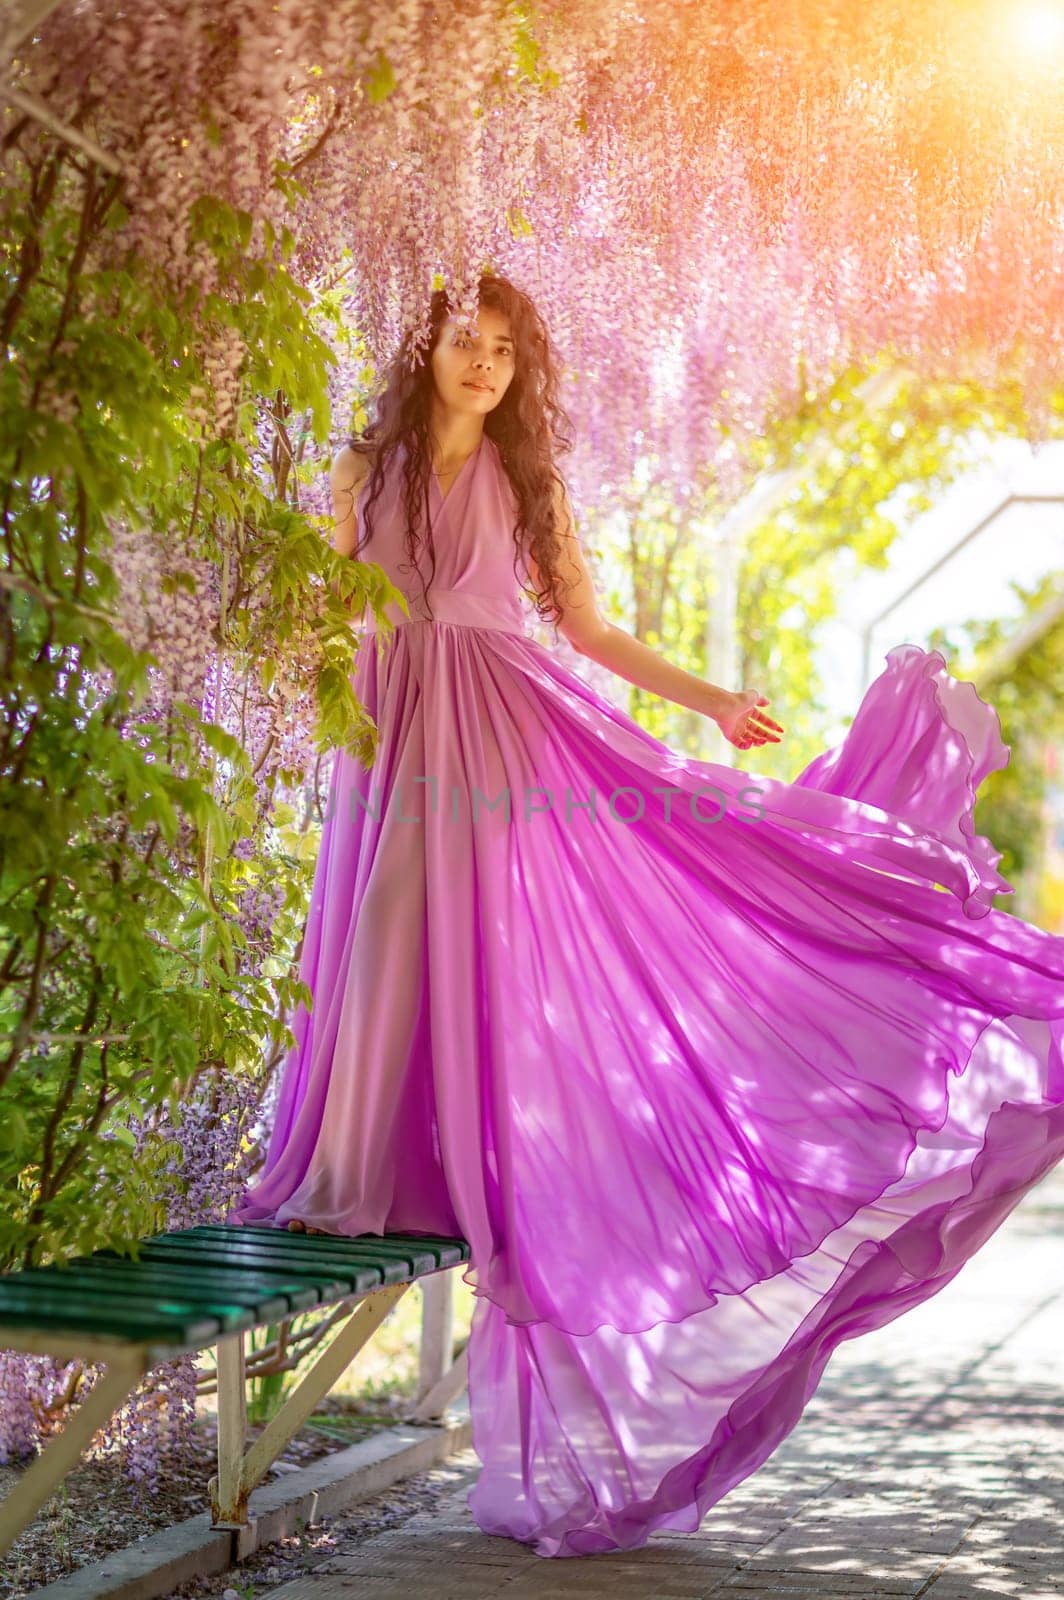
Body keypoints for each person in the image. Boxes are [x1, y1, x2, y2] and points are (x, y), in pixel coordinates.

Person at [226, 271, 1064, 1559]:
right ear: (429, 348)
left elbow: (594, 633)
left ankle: (456, 1170)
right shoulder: (366, 468)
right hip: (392, 732)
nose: (486, 366)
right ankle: (353, 1176)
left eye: (505, 351)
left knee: (495, 959)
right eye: (467, 343)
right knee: (385, 929)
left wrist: (715, 702)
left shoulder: (529, 491)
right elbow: (311, 604)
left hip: (508, 737)